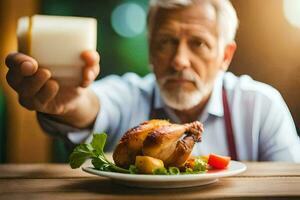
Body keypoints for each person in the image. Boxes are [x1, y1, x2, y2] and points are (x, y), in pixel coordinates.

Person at [5, 0, 300, 161]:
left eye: (198, 44)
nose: (179, 60)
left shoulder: (261, 105)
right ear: (150, 51)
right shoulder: (130, 94)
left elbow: (289, 185)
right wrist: (67, 103)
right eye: (166, 42)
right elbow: (91, 104)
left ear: (225, 55)